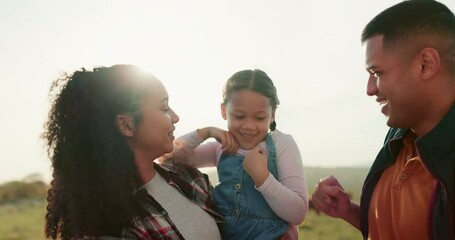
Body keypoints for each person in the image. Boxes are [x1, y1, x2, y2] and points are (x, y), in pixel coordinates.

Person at [311, 0, 455, 239]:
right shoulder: (398, 137)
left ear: (426, 64)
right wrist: (349, 211)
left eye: (377, 73)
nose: (369, 89)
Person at [42, 64, 224, 239]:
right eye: (164, 108)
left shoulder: (188, 178)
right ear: (126, 125)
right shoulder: (109, 225)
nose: (175, 117)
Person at [162, 69, 308, 239]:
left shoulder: (282, 144)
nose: (249, 126)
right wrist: (206, 132)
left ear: (272, 114)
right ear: (224, 111)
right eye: (239, 116)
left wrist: (262, 177)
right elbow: (170, 157)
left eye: (260, 118)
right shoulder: (222, 147)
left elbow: (298, 214)